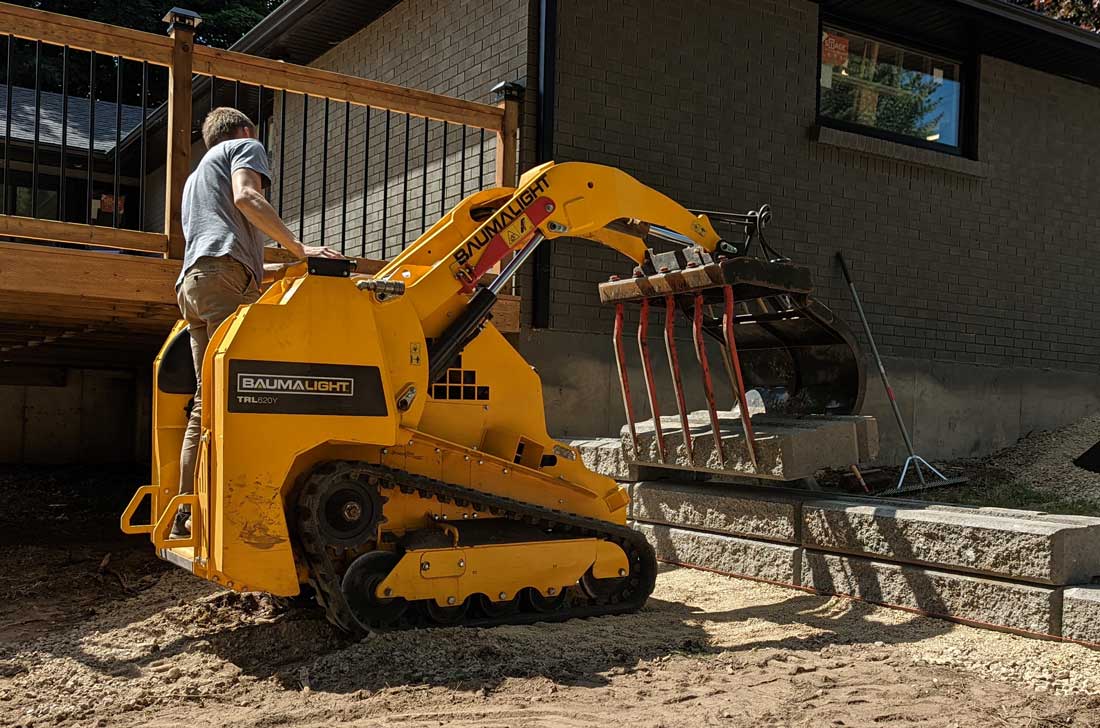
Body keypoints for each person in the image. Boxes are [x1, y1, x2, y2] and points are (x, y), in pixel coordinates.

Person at [170, 107, 341, 539]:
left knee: (207, 402)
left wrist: (287, 264)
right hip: (222, 279)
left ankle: (187, 513)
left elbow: (223, 249)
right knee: (253, 394)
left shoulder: (195, 180)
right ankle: (244, 518)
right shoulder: (246, 146)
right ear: (244, 131)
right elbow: (249, 199)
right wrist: (301, 248)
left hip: (194, 286)